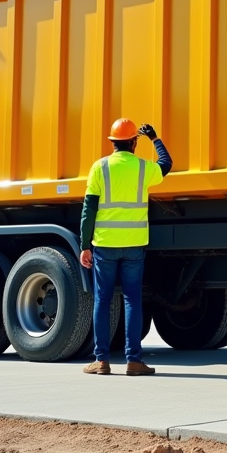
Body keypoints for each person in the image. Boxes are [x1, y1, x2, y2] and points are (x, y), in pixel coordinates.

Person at [80, 118, 172, 376]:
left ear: (112, 143)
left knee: (103, 300)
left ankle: (101, 361)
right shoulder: (143, 168)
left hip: (105, 245)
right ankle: (134, 361)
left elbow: (89, 210)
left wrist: (84, 245)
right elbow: (166, 164)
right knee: (132, 301)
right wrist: (154, 138)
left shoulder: (100, 168)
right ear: (134, 142)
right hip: (133, 245)